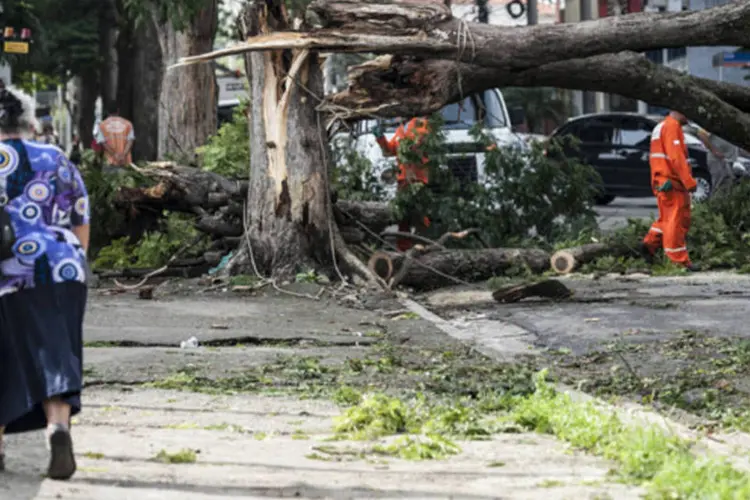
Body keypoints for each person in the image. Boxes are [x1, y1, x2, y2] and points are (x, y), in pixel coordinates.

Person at [0, 85, 90, 480]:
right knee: (56, 350)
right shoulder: (54, 157)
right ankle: (58, 428)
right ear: (28, 120)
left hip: (8, 271)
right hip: (61, 265)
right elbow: (80, 215)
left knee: (4, 356)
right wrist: (76, 264)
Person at [640, 110, 699, 271]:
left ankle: (649, 244)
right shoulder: (672, 127)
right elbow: (677, 158)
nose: (689, 117)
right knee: (676, 220)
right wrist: (689, 181)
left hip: (663, 181)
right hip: (672, 182)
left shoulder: (661, 127)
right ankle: (678, 260)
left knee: (666, 218)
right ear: (678, 111)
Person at [372, 117, 431, 252]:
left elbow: (419, 144)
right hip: (403, 179)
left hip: (417, 179)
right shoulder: (400, 129)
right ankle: (403, 250)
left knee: (419, 214)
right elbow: (389, 151)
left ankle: (426, 245)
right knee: (403, 217)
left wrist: (406, 139)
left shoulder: (420, 123)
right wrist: (381, 138)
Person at [693, 125, 739, 194]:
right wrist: (714, 151)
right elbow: (701, 134)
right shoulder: (716, 121)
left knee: (728, 186)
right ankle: (713, 202)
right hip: (717, 159)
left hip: (729, 160)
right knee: (718, 185)